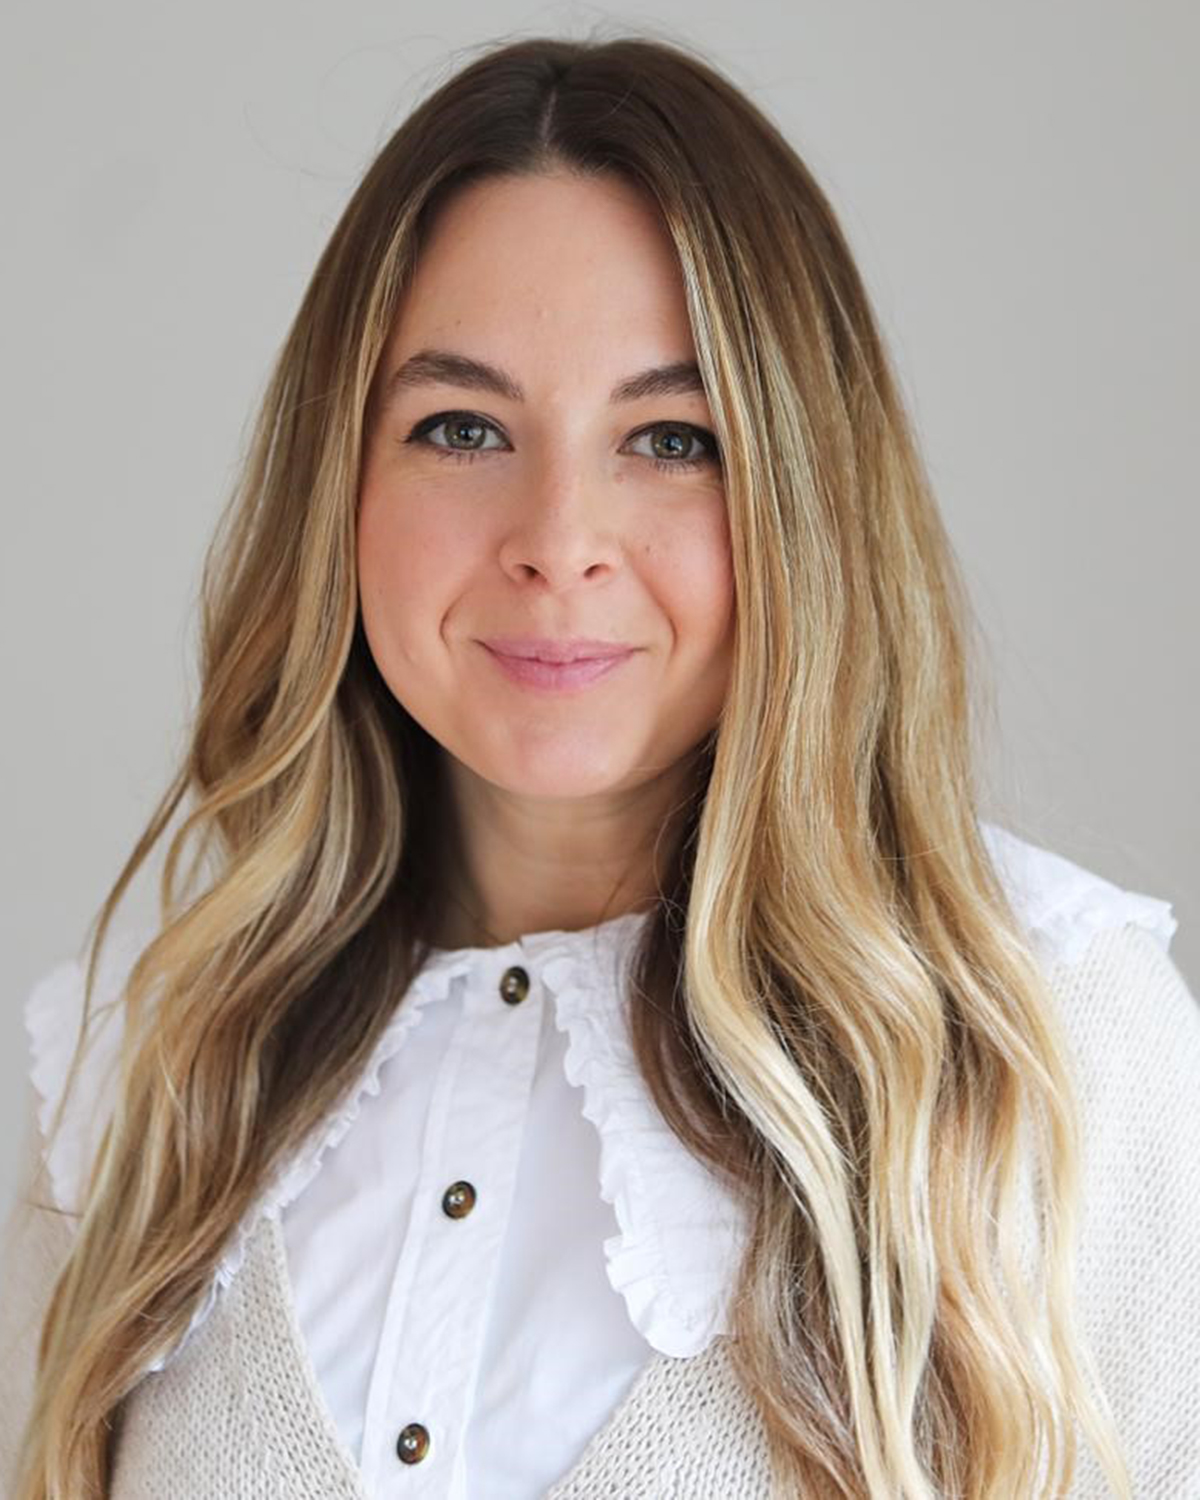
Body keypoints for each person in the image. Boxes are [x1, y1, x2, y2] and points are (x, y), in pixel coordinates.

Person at [2, 31, 1198, 1500]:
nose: (558, 540)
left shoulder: (1049, 1043)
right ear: (341, 483)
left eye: (673, 439)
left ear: (804, 494)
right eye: (462, 428)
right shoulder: (154, 1073)